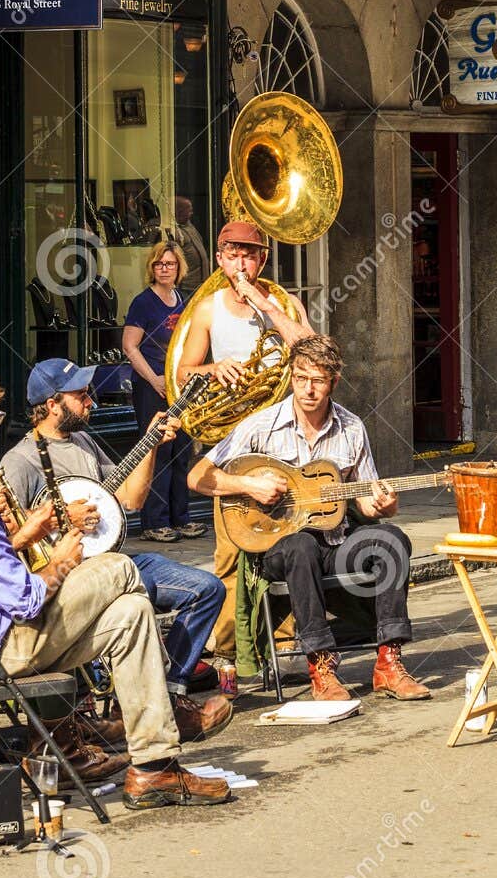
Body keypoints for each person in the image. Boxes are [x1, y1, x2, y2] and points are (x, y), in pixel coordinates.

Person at [0, 370, 230, 811]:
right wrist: (62, 557)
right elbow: (24, 600)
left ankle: (152, 768)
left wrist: (19, 535)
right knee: (118, 567)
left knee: (132, 613)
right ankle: (121, 723)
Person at [189, 334, 431, 701]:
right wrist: (248, 485)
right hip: (277, 548)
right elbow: (198, 477)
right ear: (290, 376)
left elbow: (366, 500)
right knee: (300, 546)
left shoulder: (351, 428)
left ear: (333, 382)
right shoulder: (261, 425)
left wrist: (383, 505)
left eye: (317, 381)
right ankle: (320, 665)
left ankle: (388, 663)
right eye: (300, 378)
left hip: (336, 542)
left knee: (392, 539)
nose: (308, 390)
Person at [0, 358, 230, 741]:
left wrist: (150, 445)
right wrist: (58, 517)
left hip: (118, 560)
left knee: (208, 590)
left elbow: (131, 498)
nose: (91, 400)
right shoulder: (20, 460)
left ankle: (166, 695)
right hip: (72, 576)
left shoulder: (85, 442)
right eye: (81, 395)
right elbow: (11, 531)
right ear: (53, 403)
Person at [176, 220, 313, 658]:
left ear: (262, 260)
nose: (240, 264)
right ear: (219, 258)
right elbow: (181, 373)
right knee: (231, 555)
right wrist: (213, 370)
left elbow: (313, 352)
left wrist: (267, 305)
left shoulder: (284, 303)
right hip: (233, 448)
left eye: (249, 255)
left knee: (290, 546)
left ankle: (290, 646)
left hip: (285, 445)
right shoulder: (206, 309)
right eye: (232, 255)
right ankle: (230, 650)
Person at [122, 240, 203, 540]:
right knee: (157, 452)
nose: (164, 268)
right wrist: (154, 378)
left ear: (179, 267)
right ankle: (154, 523)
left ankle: (180, 518)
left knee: (181, 451)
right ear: (151, 269)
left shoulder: (181, 299)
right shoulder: (143, 303)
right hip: (151, 387)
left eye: (169, 264)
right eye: (158, 264)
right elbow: (129, 346)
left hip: (178, 387)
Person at [173, 197, 209, 294]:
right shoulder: (174, 231)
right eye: (189, 210)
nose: (192, 213)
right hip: (186, 288)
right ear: (179, 211)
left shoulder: (189, 225)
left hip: (201, 284)